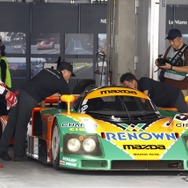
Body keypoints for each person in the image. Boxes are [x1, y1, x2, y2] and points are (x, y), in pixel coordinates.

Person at [0, 61, 75, 161]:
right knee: (21, 125)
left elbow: (40, 86)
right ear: (65, 72)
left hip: (19, 92)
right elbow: (68, 101)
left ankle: (2, 150)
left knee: (11, 123)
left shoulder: (46, 70)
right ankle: (19, 155)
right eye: (70, 75)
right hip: (29, 98)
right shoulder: (62, 82)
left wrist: (42, 107)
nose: (69, 78)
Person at [120, 72, 188, 113]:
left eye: (128, 86)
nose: (128, 89)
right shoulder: (137, 91)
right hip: (165, 104)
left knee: (185, 115)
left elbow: (144, 98)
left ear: (133, 81)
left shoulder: (144, 81)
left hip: (174, 96)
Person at [155, 28, 188, 96]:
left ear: (180, 39)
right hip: (166, 85)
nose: (171, 43)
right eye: (169, 41)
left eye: (173, 40)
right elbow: (163, 61)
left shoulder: (186, 50)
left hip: (180, 87)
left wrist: (171, 67)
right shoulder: (169, 49)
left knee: (181, 106)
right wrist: (158, 62)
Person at [0, 45, 12, 115]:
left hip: (4, 84)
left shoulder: (2, 60)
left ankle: (3, 115)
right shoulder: (3, 59)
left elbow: (3, 73)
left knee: (2, 101)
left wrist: (3, 85)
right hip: (4, 84)